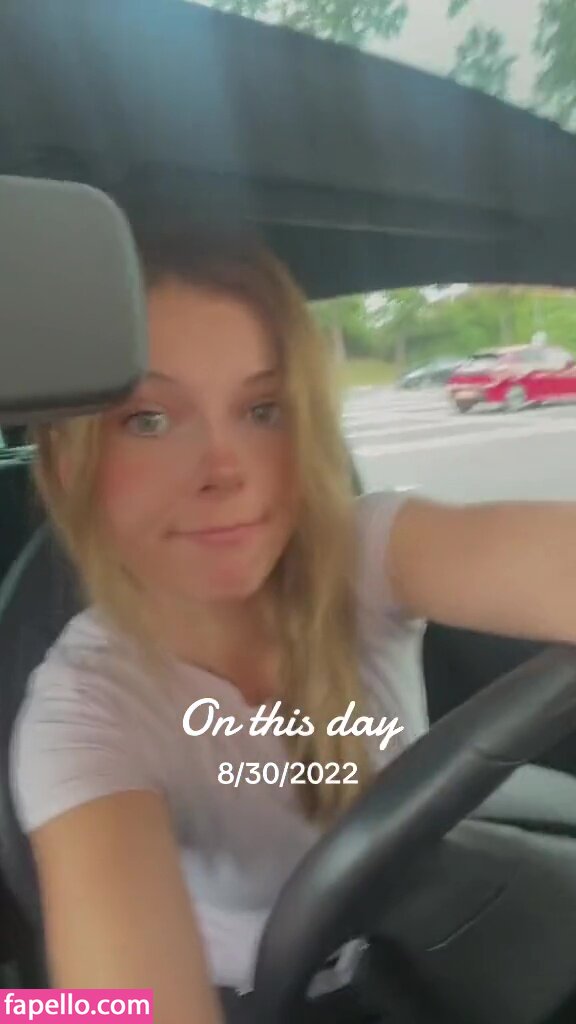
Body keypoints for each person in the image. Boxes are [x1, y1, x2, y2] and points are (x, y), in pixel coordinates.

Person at [9, 227, 576, 1024]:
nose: (226, 470)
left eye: (262, 409)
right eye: (148, 420)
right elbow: (120, 999)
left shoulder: (362, 552)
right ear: (69, 462)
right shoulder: (83, 715)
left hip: (409, 936)